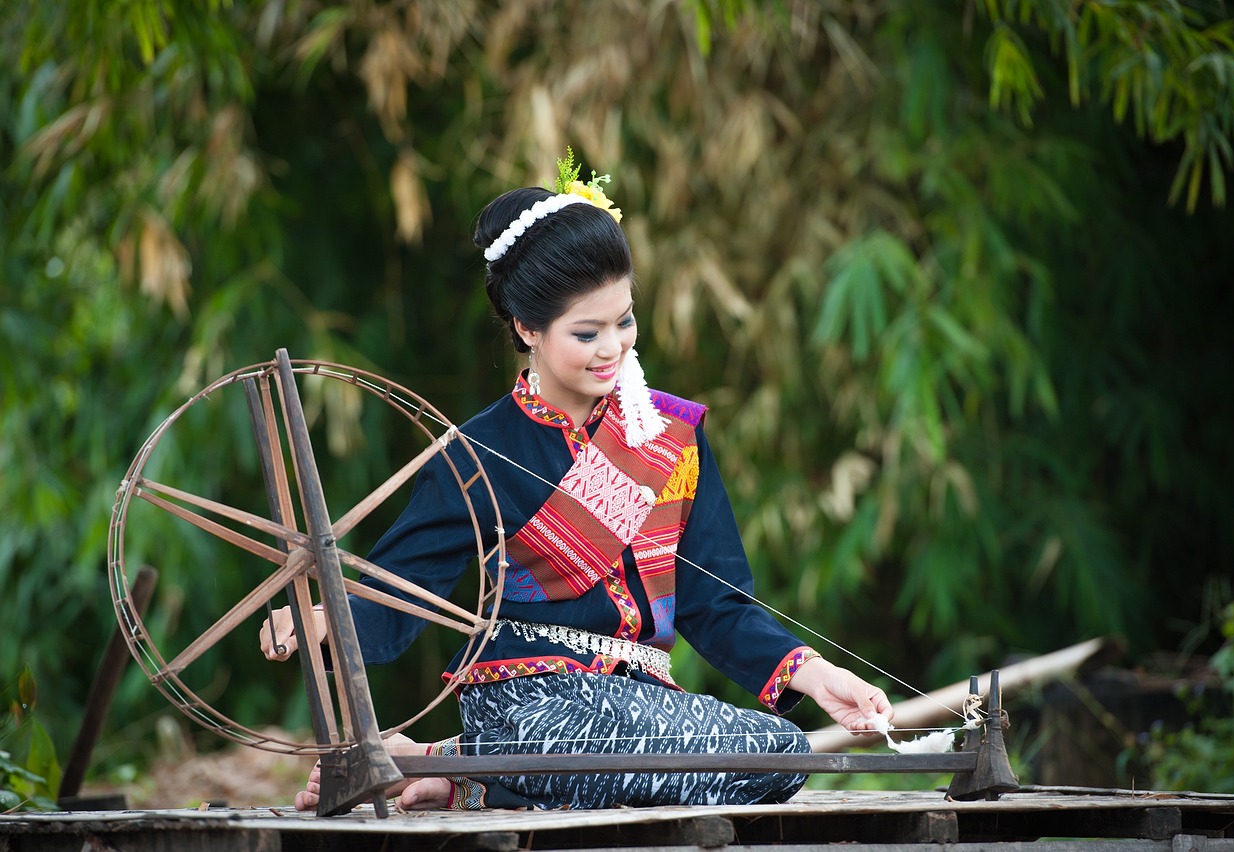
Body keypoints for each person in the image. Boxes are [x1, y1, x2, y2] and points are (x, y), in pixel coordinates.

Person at [260, 151, 893, 812]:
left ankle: (452, 772)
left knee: (781, 754)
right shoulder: (478, 451)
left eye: (624, 321)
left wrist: (818, 677)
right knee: (645, 752)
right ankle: (474, 764)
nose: (612, 348)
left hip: (641, 709)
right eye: (586, 331)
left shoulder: (670, 434)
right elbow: (402, 591)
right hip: (524, 704)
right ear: (528, 328)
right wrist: (321, 618)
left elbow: (716, 605)